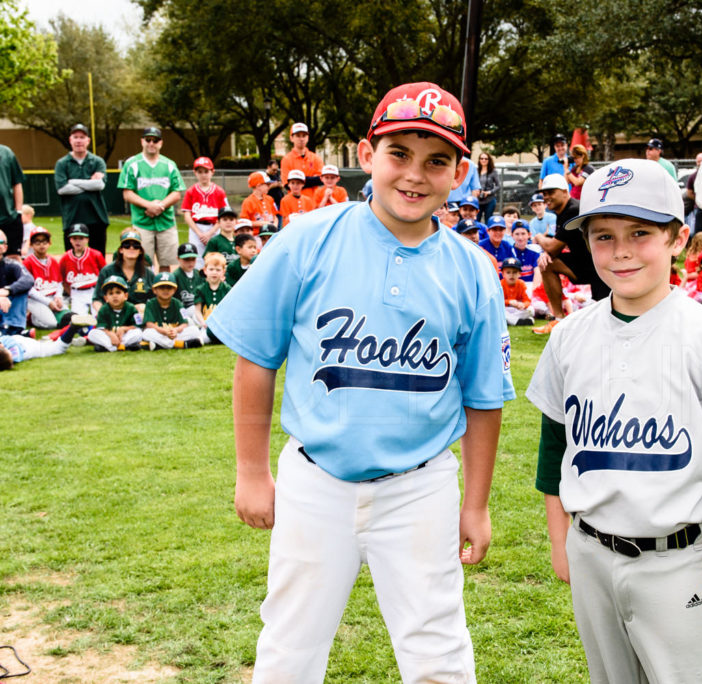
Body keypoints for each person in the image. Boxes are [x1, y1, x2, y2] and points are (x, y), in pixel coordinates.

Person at [207, 81, 514, 683]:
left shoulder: (472, 270)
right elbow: (256, 359)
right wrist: (251, 470)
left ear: (459, 172)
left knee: (437, 649)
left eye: (437, 161)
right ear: (365, 152)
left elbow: (483, 399)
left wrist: (474, 505)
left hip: (421, 483)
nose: (415, 175)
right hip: (314, 476)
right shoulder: (307, 238)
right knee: (291, 639)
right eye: (398, 153)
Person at [526, 158, 702, 684]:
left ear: (678, 239)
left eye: (640, 233)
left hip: (676, 558)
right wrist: (558, 541)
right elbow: (554, 447)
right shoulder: (570, 335)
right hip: (590, 548)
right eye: (603, 236)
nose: (621, 251)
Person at [531, 173, 610, 334]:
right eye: (544, 193)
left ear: (565, 191)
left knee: (605, 320)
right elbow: (557, 245)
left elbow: (553, 247)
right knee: (546, 264)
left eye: (551, 192)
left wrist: (539, 238)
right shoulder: (564, 211)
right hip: (584, 263)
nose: (546, 197)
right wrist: (548, 253)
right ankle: (558, 319)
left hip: (601, 266)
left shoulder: (573, 209)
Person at [118, 127, 185, 272]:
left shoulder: (169, 165)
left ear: (161, 143)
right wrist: (148, 205)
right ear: (142, 141)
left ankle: (163, 293)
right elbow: (127, 193)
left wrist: (160, 206)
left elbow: (176, 192)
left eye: (155, 140)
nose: (151, 143)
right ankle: (145, 294)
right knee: (143, 264)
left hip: (166, 222)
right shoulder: (132, 164)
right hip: (142, 222)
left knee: (166, 264)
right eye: (148, 139)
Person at [54, 124, 109, 255]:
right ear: (70, 140)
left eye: (82, 137)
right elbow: (62, 189)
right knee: (72, 257)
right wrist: (89, 183)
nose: (79, 140)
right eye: (76, 137)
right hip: (72, 217)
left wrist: (73, 181)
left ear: (88, 140)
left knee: (98, 256)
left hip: (96, 216)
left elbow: (99, 185)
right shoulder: (62, 163)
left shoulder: (97, 161)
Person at [0, 314, 95, 370]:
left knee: (57, 347)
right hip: (22, 342)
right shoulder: (10, 351)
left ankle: (73, 328)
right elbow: (8, 360)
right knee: (55, 347)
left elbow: (9, 360)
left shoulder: (13, 353)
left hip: (26, 346)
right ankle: (73, 327)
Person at [93, 230, 154, 315]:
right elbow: (97, 299)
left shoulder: (148, 273)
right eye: (127, 245)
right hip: (113, 314)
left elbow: (156, 300)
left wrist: (145, 308)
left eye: (136, 246)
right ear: (121, 250)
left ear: (140, 251)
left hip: (138, 316)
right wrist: (103, 314)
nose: (131, 248)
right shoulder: (107, 271)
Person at [182, 156, 229, 267]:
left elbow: (224, 215)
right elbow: (187, 215)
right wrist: (199, 233)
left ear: (212, 172)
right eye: (200, 172)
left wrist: (210, 233)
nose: (203, 175)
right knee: (197, 259)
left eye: (206, 171)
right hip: (196, 228)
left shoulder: (219, 191)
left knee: (215, 258)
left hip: (214, 228)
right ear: (195, 173)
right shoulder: (191, 191)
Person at [142, 272, 203, 349]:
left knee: (194, 330)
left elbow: (184, 323)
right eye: (161, 287)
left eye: (169, 287)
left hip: (175, 333)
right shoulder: (150, 303)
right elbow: (149, 324)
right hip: (160, 333)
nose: (165, 290)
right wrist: (163, 331)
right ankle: (181, 344)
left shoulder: (178, 303)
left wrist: (176, 330)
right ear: (154, 290)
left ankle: (159, 345)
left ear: (174, 290)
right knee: (147, 333)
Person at [23, 226, 68, 329]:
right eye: (37, 242)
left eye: (44, 241)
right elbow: (29, 290)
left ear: (49, 243)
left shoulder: (53, 261)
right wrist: (48, 302)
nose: (41, 245)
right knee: (52, 324)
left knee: (69, 318)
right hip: (35, 300)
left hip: (52, 297)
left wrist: (58, 297)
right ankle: (31, 318)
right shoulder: (28, 263)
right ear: (31, 245)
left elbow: (59, 283)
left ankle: (43, 314)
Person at [87, 275, 144, 352]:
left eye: (118, 292)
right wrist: (110, 334)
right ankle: (112, 347)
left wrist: (124, 329)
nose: (115, 296)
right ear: (106, 298)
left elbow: (138, 325)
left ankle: (120, 345)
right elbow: (101, 328)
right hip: (109, 337)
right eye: (111, 293)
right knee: (92, 333)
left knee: (138, 333)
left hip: (124, 336)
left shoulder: (131, 308)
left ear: (125, 296)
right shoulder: (103, 309)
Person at [58, 223, 106, 315]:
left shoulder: (96, 255)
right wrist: (72, 293)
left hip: (95, 291)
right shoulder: (65, 258)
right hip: (77, 293)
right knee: (79, 321)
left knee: (100, 317)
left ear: (87, 239)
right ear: (70, 240)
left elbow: (105, 275)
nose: (78, 241)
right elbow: (62, 279)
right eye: (74, 238)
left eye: (81, 238)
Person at [280, 123, 323, 200]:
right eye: (298, 136)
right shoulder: (286, 159)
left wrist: (296, 181)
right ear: (291, 138)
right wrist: (311, 179)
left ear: (308, 138)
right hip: (294, 202)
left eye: (304, 136)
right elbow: (287, 184)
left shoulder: (315, 158)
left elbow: (321, 179)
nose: (301, 139)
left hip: (314, 202)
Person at [0, 143, 25, 261]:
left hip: (8, 216)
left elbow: (17, 183)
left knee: (13, 257)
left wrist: (18, 211)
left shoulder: (6, 153)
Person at [241, 172, 279, 236]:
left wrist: (275, 225)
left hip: (271, 233)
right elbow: (245, 222)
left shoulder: (270, 199)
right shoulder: (248, 202)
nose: (269, 186)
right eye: (267, 184)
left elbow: (275, 216)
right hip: (257, 235)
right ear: (258, 186)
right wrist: (262, 223)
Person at [173, 243, 204, 319]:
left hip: (199, 310)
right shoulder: (175, 276)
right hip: (181, 312)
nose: (190, 262)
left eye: (193, 259)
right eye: (186, 259)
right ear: (178, 258)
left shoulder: (200, 274)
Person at [500, 257, 533, 326]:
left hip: (517, 309)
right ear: (503, 274)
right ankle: (517, 321)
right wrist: (509, 302)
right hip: (506, 309)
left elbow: (527, 300)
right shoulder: (500, 284)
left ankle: (509, 321)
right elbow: (498, 302)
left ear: (520, 274)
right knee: (499, 312)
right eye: (508, 272)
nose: (511, 275)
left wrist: (523, 305)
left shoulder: (522, 284)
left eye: (514, 272)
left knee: (531, 310)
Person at [477, 152, 500, 222]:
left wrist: (489, 192)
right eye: (482, 158)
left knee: (488, 220)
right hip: (478, 200)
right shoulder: (476, 171)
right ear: (479, 160)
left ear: (489, 160)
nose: (483, 160)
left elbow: (498, 186)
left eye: (486, 159)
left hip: (489, 199)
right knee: (476, 219)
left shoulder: (493, 171)